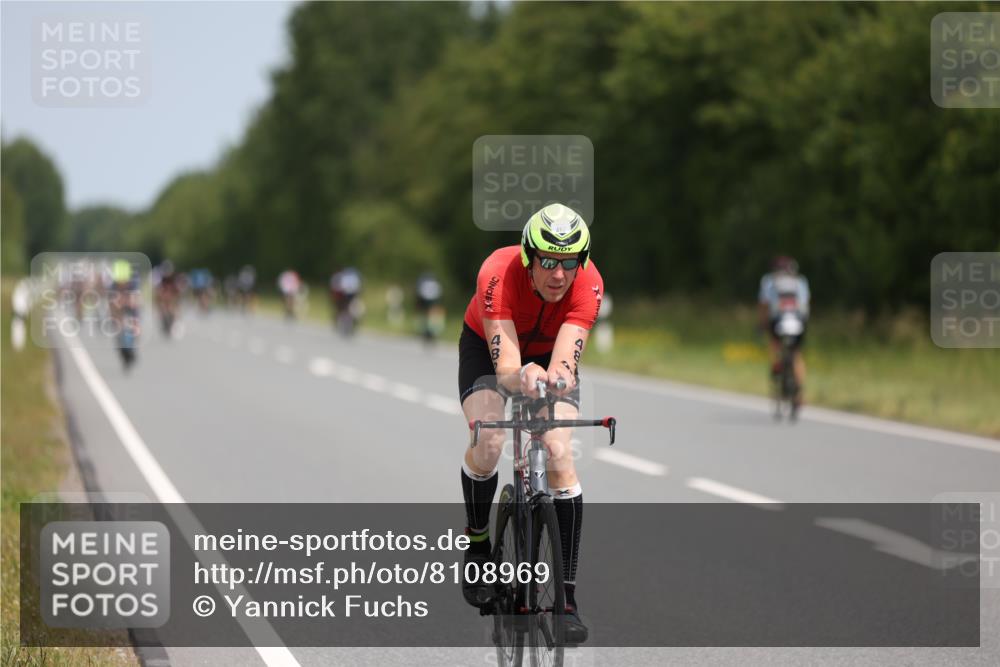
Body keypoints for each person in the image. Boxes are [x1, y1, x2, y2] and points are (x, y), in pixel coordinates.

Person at [458, 203, 603, 644]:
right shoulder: (497, 274)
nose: (559, 274)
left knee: (560, 453)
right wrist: (522, 376)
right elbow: (507, 368)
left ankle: (568, 600)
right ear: (528, 256)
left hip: (547, 353)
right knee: (490, 438)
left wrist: (556, 377)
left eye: (568, 263)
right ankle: (480, 545)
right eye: (548, 262)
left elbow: (565, 358)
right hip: (490, 351)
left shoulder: (589, 284)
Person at [758, 256, 810, 407]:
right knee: (797, 354)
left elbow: (763, 305)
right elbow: (806, 304)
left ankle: (777, 367)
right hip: (798, 321)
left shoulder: (768, 281)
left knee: (775, 345)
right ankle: (799, 393)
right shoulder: (800, 281)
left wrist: (762, 325)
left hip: (778, 321)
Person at [329, 267, 363, 335]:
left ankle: (351, 325)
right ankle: (351, 325)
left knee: (351, 310)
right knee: (351, 310)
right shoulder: (353, 278)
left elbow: (341, 288)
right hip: (349, 296)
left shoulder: (344, 277)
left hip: (348, 296)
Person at [414, 271, 444, 344]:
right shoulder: (435, 283)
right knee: (433, 317)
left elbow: (419, 294)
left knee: (425, 316)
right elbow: (439, 294)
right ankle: (432, 331)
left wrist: (418, 304)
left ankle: (426, 331)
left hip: (425, 302)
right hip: (434, 302)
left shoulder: (423, 283)